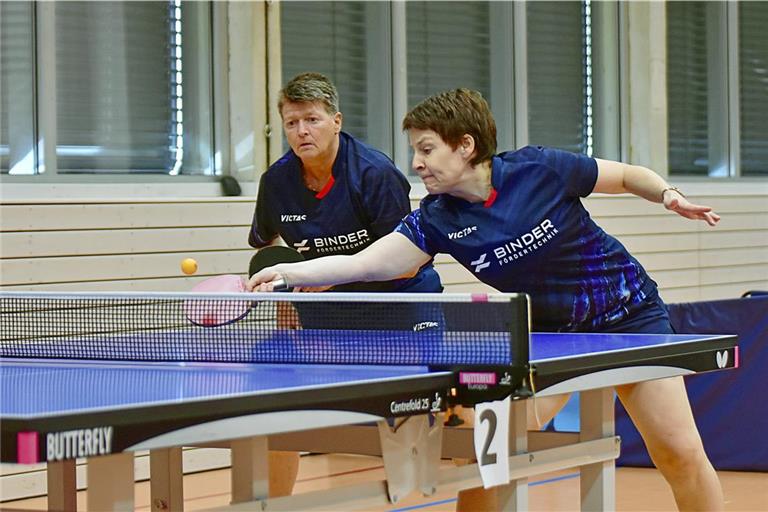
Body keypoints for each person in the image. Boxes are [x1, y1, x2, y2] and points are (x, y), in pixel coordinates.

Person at [248, 88, 723, 511]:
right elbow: (366, 263)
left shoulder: (539, 168)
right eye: (415, 150)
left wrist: (668, 195)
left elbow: (624, 175)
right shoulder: (436, 219)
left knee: (677, 452)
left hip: (628, 316)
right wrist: (289, 272)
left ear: (466, 146)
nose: (416, 163)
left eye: (426, 149)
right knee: (490, 456)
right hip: (547, 334)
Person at [248, 72, 443, 497]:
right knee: (281, 410)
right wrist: (284, 292)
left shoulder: (374, 174)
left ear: (336, 121)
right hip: (325, 317)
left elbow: (410, 263)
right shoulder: (276, 183)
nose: (301, 131)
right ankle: (272, 506)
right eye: (292, 122)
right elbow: (268, 246)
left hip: (399, 310)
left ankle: (413, 499)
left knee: (409, 421)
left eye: (312, 120)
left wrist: (332, 276)